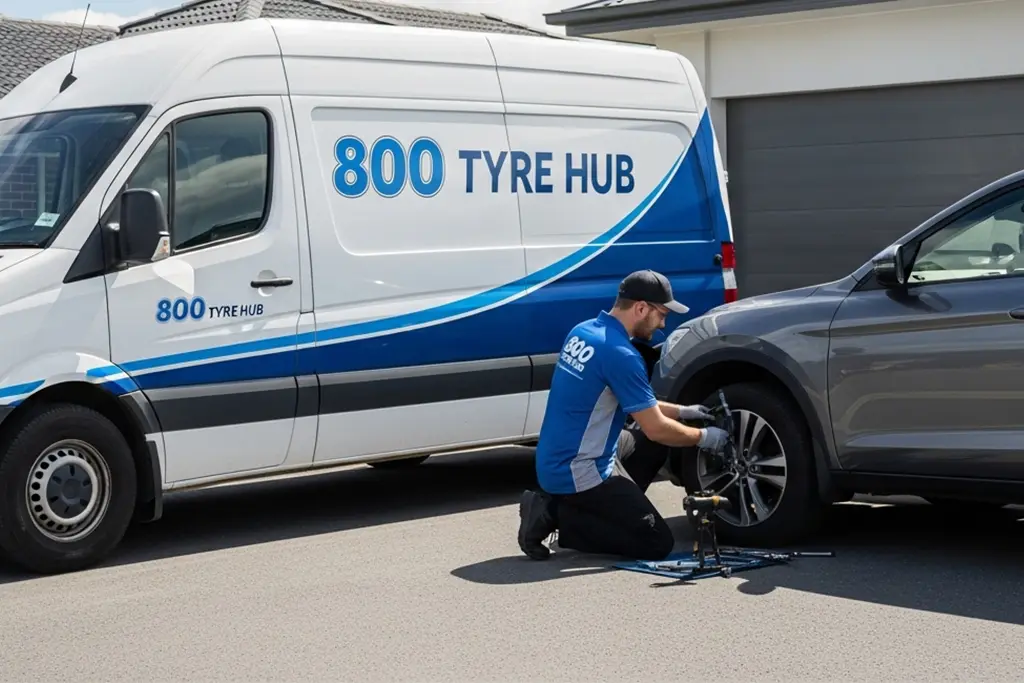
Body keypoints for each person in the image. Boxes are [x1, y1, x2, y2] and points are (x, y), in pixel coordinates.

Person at [517, 269, 730, 561]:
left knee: (653, 442)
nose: (664, 323)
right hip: (578, 470)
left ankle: (606, 510)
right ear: (641, 308)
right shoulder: (621, 354)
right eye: (662, 314)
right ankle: (554, 514)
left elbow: (636, 402)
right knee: (656, 542)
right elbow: (655, 427)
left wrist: (683, 412)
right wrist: (705, 437)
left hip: (558, 458)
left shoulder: (584, 331)